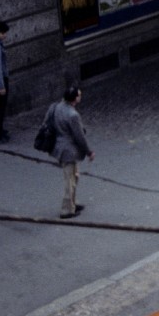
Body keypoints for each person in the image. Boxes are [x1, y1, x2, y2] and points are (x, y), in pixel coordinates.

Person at [47, 85, 94, 218]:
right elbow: (80, 136)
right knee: (70, 180)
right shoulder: (73, 115)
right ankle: (67, 209)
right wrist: (89, 152)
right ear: (75, 99)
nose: (80, 96)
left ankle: (72, 203)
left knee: (74, 176)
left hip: (61, 148)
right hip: (69, 151)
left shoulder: (58, 107)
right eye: (79, 95)